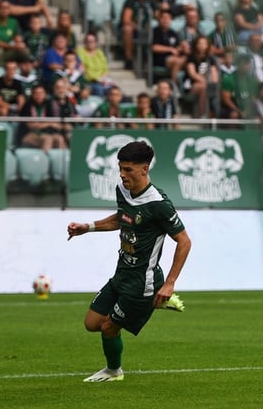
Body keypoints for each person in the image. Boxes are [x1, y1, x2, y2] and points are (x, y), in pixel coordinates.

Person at [66, 141, 190, 383]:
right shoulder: (122, 190)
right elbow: (122, 219)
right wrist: (87, 228)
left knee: (108, 328)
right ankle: (155, 302)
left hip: (142, 283)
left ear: (144, 169)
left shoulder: (159, 204)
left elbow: (184, 241)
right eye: (120, 168)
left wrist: (171, 282)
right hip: (121, 275)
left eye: (128, 170)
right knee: (91, 323)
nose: (122, 174)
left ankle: (114, 371)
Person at [120, 0, 158, 70]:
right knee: (127, 29)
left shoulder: (150, 1)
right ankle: (128, 59)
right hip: (134, 28)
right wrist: (137, 27)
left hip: (147, 28)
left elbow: (158, 14)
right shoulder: (131, 0)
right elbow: (126, 19)